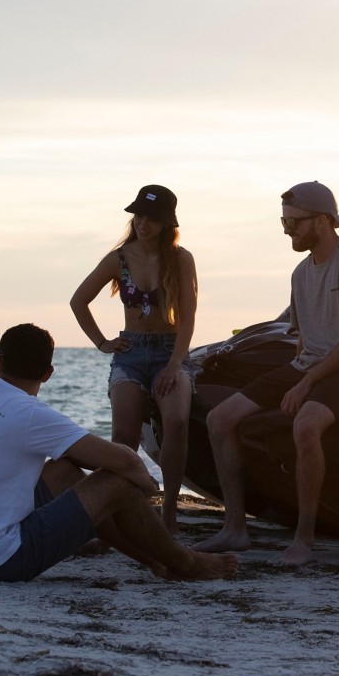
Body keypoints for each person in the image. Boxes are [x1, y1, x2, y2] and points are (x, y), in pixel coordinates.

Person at [0, 323, 237, 582]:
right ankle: (186, 563)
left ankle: (154, 560)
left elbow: (79, 455)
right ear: (49, 372)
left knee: (64, 471)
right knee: (118, 484)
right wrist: (145, 486)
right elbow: (126, 460)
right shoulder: (28, 413)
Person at [196, 181, 339, 566]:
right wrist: (296, 375)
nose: (288, 231)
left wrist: (307, 383)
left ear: (323, 221)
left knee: (305, 425)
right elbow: (304, 342)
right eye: (284, 223)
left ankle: (304, 538)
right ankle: (234, 528)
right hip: (310, 364)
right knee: (220, 419)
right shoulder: (301, 274)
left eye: (294, 224)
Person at [70, 184, 199, 536]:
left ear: (167, 223)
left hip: (170, 352)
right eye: (139, 215)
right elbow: (78, 301)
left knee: (176, 420)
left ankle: (169, 510)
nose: (143, 223)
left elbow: (187, 318)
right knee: (123, 437)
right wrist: (102, 342)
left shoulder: (181, 258)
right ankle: (116, 512)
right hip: (131, 353)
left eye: (152, 218)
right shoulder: (119, 258)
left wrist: (175, 365)